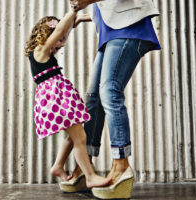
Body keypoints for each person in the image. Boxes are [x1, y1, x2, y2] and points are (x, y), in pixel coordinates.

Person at [59, 0, 161, 198]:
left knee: (110, 92)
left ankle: (121, 164)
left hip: (130, 31)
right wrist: (84, 16)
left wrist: (85, 2)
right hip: (110, 35)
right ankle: (85, 167)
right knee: (92, 100)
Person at [24, 7, 112, 189]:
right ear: (46, 35)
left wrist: (80, 19)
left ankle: (57, 166)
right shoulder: (41, 49)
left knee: (73, 137)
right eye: (59, 40)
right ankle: (89, 176)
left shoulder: (40, 52)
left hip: (58, 99)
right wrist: (73, 11)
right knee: (80, 138)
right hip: (56, 100)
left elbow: (61, 30)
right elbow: (58, 31)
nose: (61, 44)